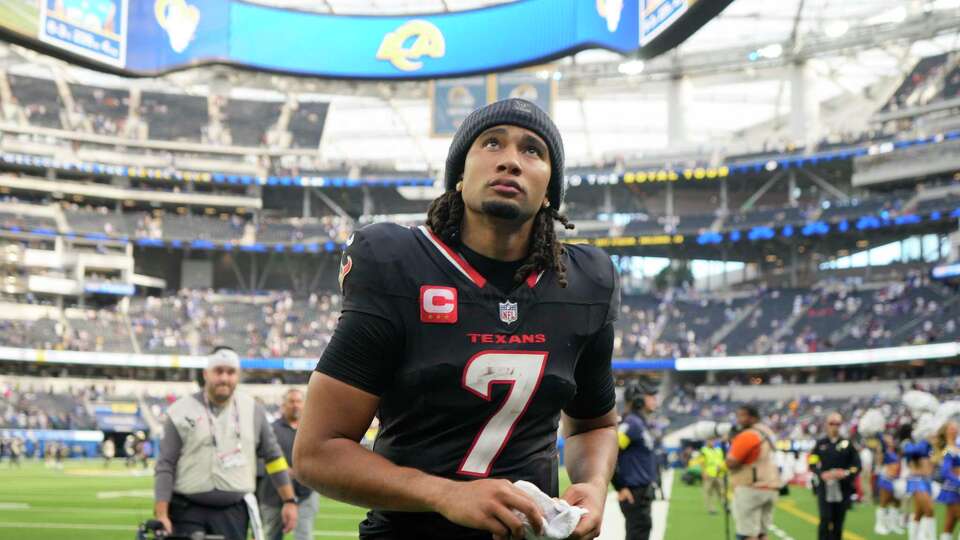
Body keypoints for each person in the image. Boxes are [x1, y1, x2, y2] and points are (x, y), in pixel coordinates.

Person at [294, 98, 621, 540]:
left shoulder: (586, 282)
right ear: (460, 176)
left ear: (549, 190)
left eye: (532, 150)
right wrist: (444, 494)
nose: (509, 160)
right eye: (491, 143)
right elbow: (317, 452)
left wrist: (594, 485)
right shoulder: (398, 264)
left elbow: (593, 426)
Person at [154, 347, 298, 540]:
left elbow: (274, 457)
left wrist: (288, 500)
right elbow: (165, 464)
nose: (224, 378)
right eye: (218, 371)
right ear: (206, 374)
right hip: (186, 510)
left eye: (230, 372)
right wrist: (162, 513)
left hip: (233, 511)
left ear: (238, 376)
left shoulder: (254, 410)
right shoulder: (179, 411)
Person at [257, 389, 318, 540]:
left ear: (304, 404)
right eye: (291, 401)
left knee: (304, 536)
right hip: (273, 493)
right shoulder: (271, 429)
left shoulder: (312, 430)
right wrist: (284, 471)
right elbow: (261, 459)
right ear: (283, 405)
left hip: (305, 493)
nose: (295, 405)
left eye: (298, 401)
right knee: (271, 536)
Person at [612, 380, 660, 540]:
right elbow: (611, 452)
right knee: (637, 534)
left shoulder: (640, 423)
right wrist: (620, 486)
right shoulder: (631, 424)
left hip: (642, 492)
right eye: (651, 396)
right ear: (638, 399)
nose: (655, 399)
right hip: (634, 493)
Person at [726, 405, 781, 540]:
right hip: (771, 486)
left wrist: (730, 444)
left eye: (742, 416)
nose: (739, 420)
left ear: (753, 418)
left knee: (746, 534)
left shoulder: (748, 435)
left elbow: (731, 462)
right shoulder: (768, 432)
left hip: (751, 487)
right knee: (762, 534)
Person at [808, 412, 861, 540]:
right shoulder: (820, 444)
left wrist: (845, 473)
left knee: (838, 522)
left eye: (837, 424)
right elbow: (812, 463)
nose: (834, 427)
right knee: (825, 519)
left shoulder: (847, 444)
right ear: (826, 425)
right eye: (832, 423)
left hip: (843, 488)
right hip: (825, 488)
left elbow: (857, 465)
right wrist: (822, 474)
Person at [903, 423, 936, 540]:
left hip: (927, 481)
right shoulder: (910, 445)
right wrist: (926, 441)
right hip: (916, 481)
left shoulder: (930, 447)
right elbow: (912, 451)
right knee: (929, 510)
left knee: (919, 513)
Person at [873, 432, 905, 535]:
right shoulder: (884, 451)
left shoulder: (895, 452)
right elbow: (879, 438)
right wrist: (879, 432)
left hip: (896, 481)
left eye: (891, 439)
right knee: (884, 503)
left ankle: (893, 525)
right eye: (888, 439)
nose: (890, 441)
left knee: (896, 503)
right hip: (886, 479)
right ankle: (879, 525)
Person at [934, 420, 960, 540]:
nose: (955, 429)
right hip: (953, 489)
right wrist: (958, 481)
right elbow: (945, 471)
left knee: (949, 524)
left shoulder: (958, 446)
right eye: (951, 428)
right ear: (946, 432)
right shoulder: (946, 450)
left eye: (956, 427)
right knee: (950, 523)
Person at [701, 437, 726, 515]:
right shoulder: (704, 450)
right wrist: (704, 472)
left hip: (719, 473)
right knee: (709, 492)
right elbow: (702, 462)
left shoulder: (719, 450)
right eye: (710, 440)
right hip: (709, 473)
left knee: (721, 491)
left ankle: (725, 506)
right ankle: (711, 508)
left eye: (713, 440)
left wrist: (722, 468)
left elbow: (722, 460)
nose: (711, 442)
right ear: (707, 441)